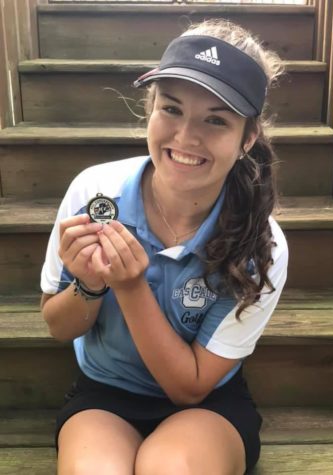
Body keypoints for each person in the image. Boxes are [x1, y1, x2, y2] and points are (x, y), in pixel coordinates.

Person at [40, 19, 288, 475]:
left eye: (216, 120)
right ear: (150, 109)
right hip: (104, 393)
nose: (186, 137)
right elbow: (58, 327)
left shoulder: (261, 241)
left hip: (207, 405)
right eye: (171, 109)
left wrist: (130, 287)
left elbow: (190, 388)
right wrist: (91, 285)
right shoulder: (94, 191)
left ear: (247, 138)